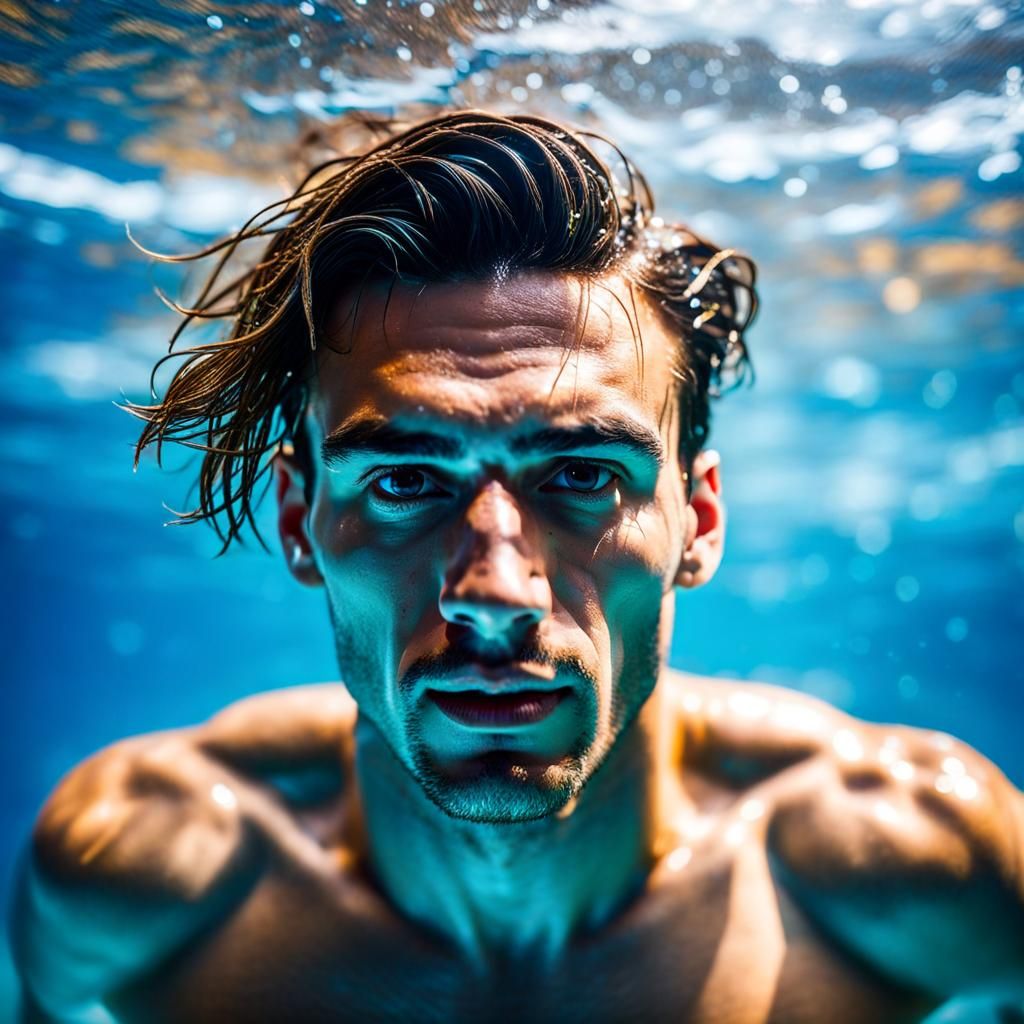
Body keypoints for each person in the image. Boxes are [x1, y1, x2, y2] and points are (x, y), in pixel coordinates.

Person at [11, 110, 1024, 1024]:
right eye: (406, 481)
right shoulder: (130, 874)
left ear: (699, 518)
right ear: (298, 517)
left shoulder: (920, 863)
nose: (495, 592)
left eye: (581, 473)